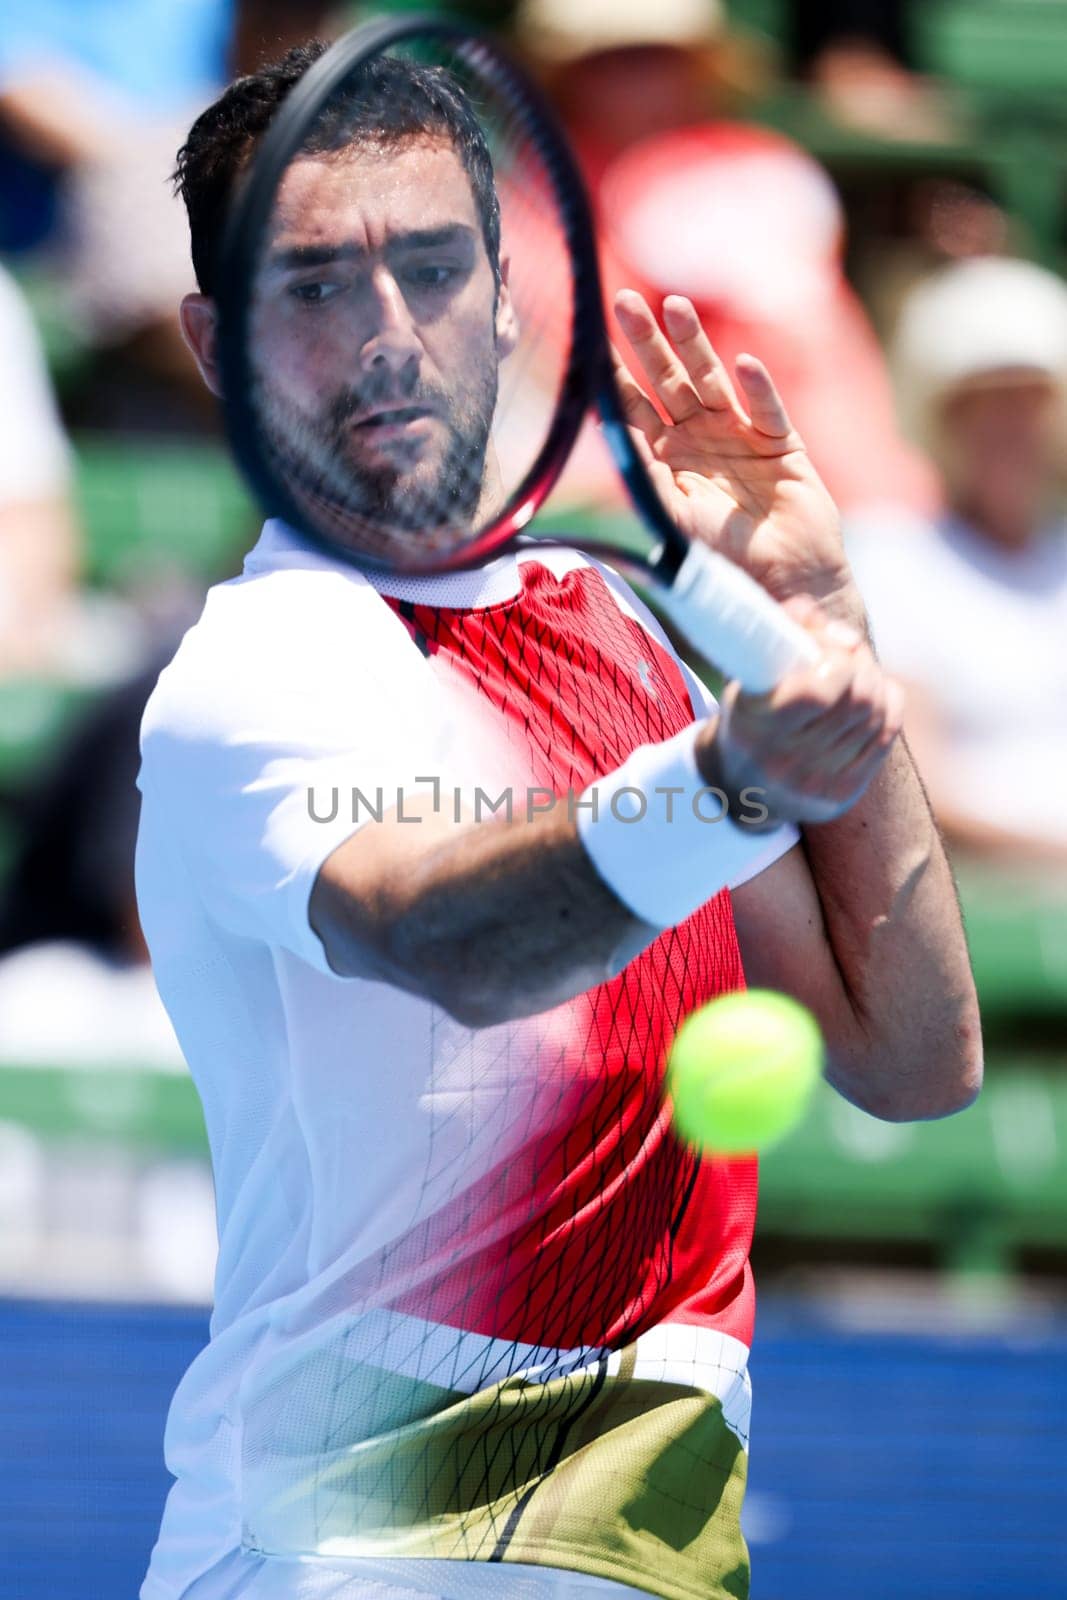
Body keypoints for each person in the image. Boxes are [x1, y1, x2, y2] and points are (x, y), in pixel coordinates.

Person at [135, 43, 981, 1600]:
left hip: (646, 1540)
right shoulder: (259, 670)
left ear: (511, 297)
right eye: (311, 286)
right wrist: (728, 781)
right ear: (214, 341)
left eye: (432, 268)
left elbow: (910, 1056)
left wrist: (813, 615)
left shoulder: (629, 632)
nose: (387, 335)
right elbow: (446, 935)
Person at [845, 256, 1067, 870]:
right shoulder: (891, 558)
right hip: (985, 902)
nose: (1010, 427)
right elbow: (917, 783)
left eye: (1030, 401)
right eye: (982, 404)